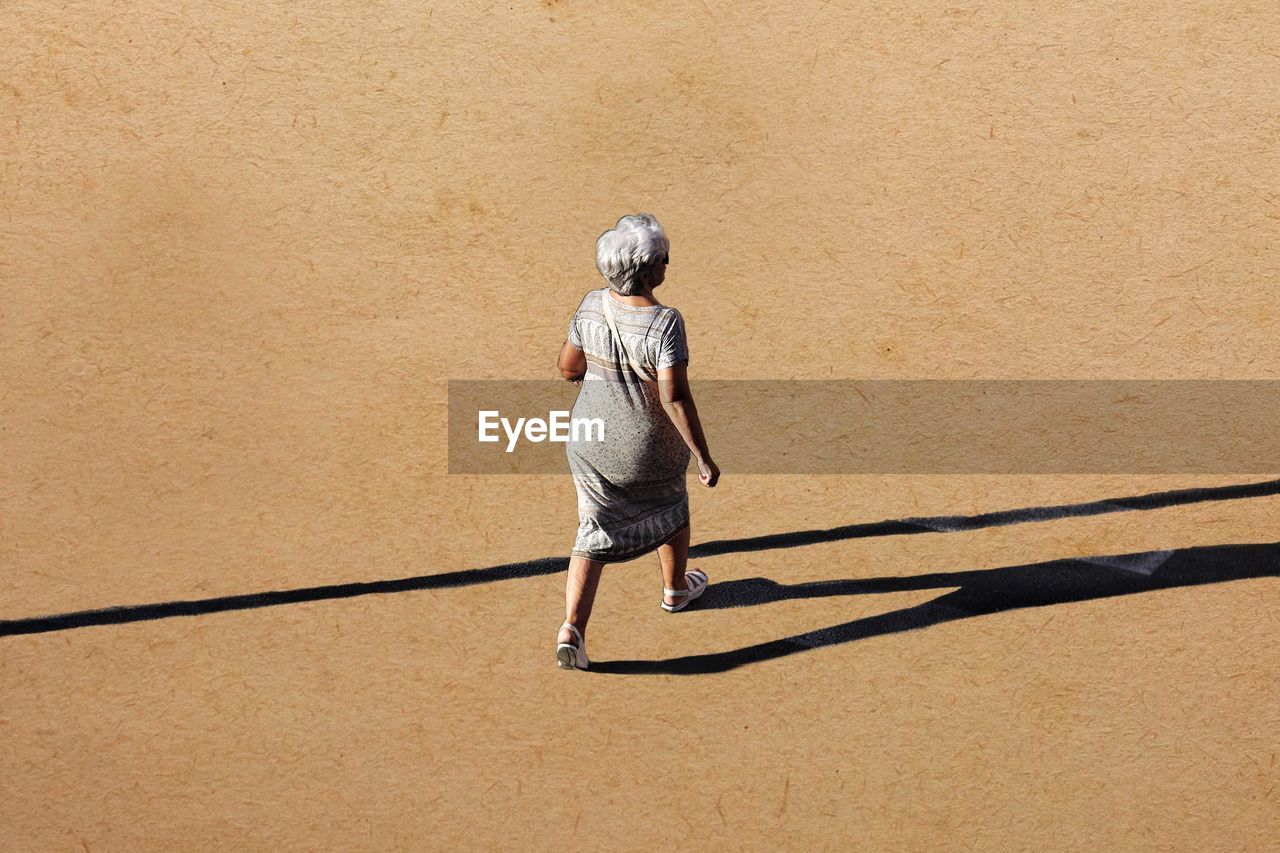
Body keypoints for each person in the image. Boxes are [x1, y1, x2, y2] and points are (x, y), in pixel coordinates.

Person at [553, 213, 719, 670]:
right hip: (649, 447)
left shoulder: (589, 306)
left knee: (592, 528)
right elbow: (674, 395)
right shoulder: (665, 322)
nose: (668, 262)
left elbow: (568, 368)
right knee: (672, 505)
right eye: (664, 257)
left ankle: (573, 629)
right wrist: (703, 456)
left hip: (590, 441)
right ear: (647, 271)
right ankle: (675, 589)